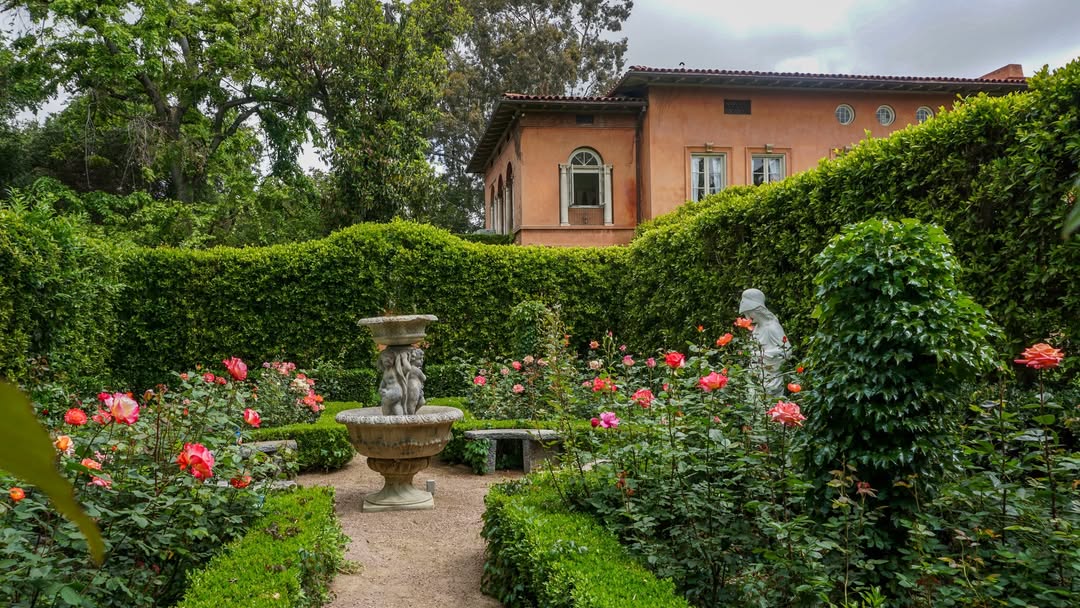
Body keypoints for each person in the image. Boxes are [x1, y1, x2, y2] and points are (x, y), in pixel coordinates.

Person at [738, 288, 792, 397]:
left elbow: (787, 351)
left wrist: (763, 355)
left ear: (758, 309)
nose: (747, 318)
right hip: (756, 375)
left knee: (767, 405)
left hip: (770, 377)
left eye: (749, 313)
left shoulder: (772, 327)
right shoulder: (756, 329)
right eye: (745, 314)